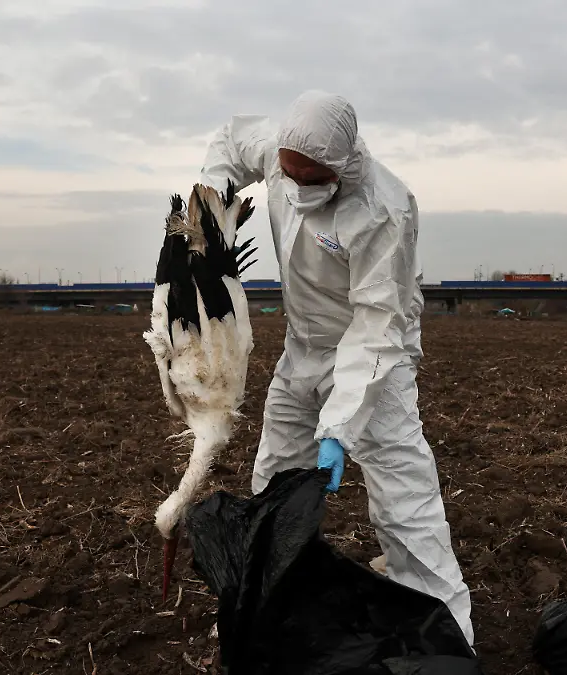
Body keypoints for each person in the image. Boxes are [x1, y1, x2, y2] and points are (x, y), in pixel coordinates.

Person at [197, 90, 474, 647]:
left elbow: (377, 325)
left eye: (313, 178)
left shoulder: (383, 209)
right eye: (289, 174)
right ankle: (273, 611)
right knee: (274, 481)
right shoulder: (279, 152)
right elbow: (230, 141)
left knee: (404, 499)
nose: (299, 187)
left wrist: (340, 425)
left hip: (373, 358)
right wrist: (209, 211)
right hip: (301, 349)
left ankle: (447, 634)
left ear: (342, 165)